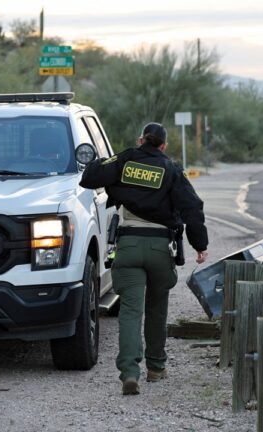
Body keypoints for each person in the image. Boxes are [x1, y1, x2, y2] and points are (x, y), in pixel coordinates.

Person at [79, 122, 208, 396]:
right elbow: (192, 207)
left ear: (141, 140)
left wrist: (104, 161)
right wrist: (200, 245)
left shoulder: (125, 159)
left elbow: (89, 177)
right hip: (161, 249)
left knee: (130, 311)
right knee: (157, 309)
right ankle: (156, 367)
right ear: (163, 145)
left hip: (128, 245)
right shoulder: (171, 168)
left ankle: (129, 372)